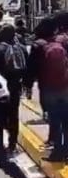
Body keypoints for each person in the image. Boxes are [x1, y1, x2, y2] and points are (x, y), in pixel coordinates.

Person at [25, 17, 68, 161]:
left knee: (55, 119)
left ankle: (58, 152)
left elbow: (31, 69)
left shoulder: (38, 45)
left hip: (48, 88)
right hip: (65, 86)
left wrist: (28, 86)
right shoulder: (62, 42)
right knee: (66, 120)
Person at [0, 24, 28, 156]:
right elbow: (26, 69)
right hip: (15, 86)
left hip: (0, 87)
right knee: (13, 115)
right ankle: (12, 144)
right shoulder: (22, 49)